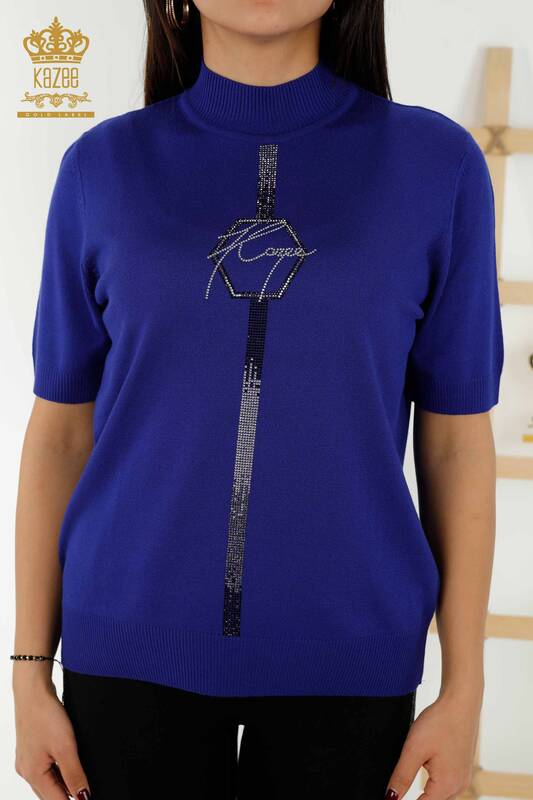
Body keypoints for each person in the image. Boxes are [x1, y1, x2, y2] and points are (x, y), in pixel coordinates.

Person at [12, 1, 504, 798]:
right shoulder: (101, 168)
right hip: (125, 654)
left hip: (351, 656)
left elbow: (453, 440)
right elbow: (60, 433)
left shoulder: (435, 166)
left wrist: (465, 687)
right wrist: (28, 673)